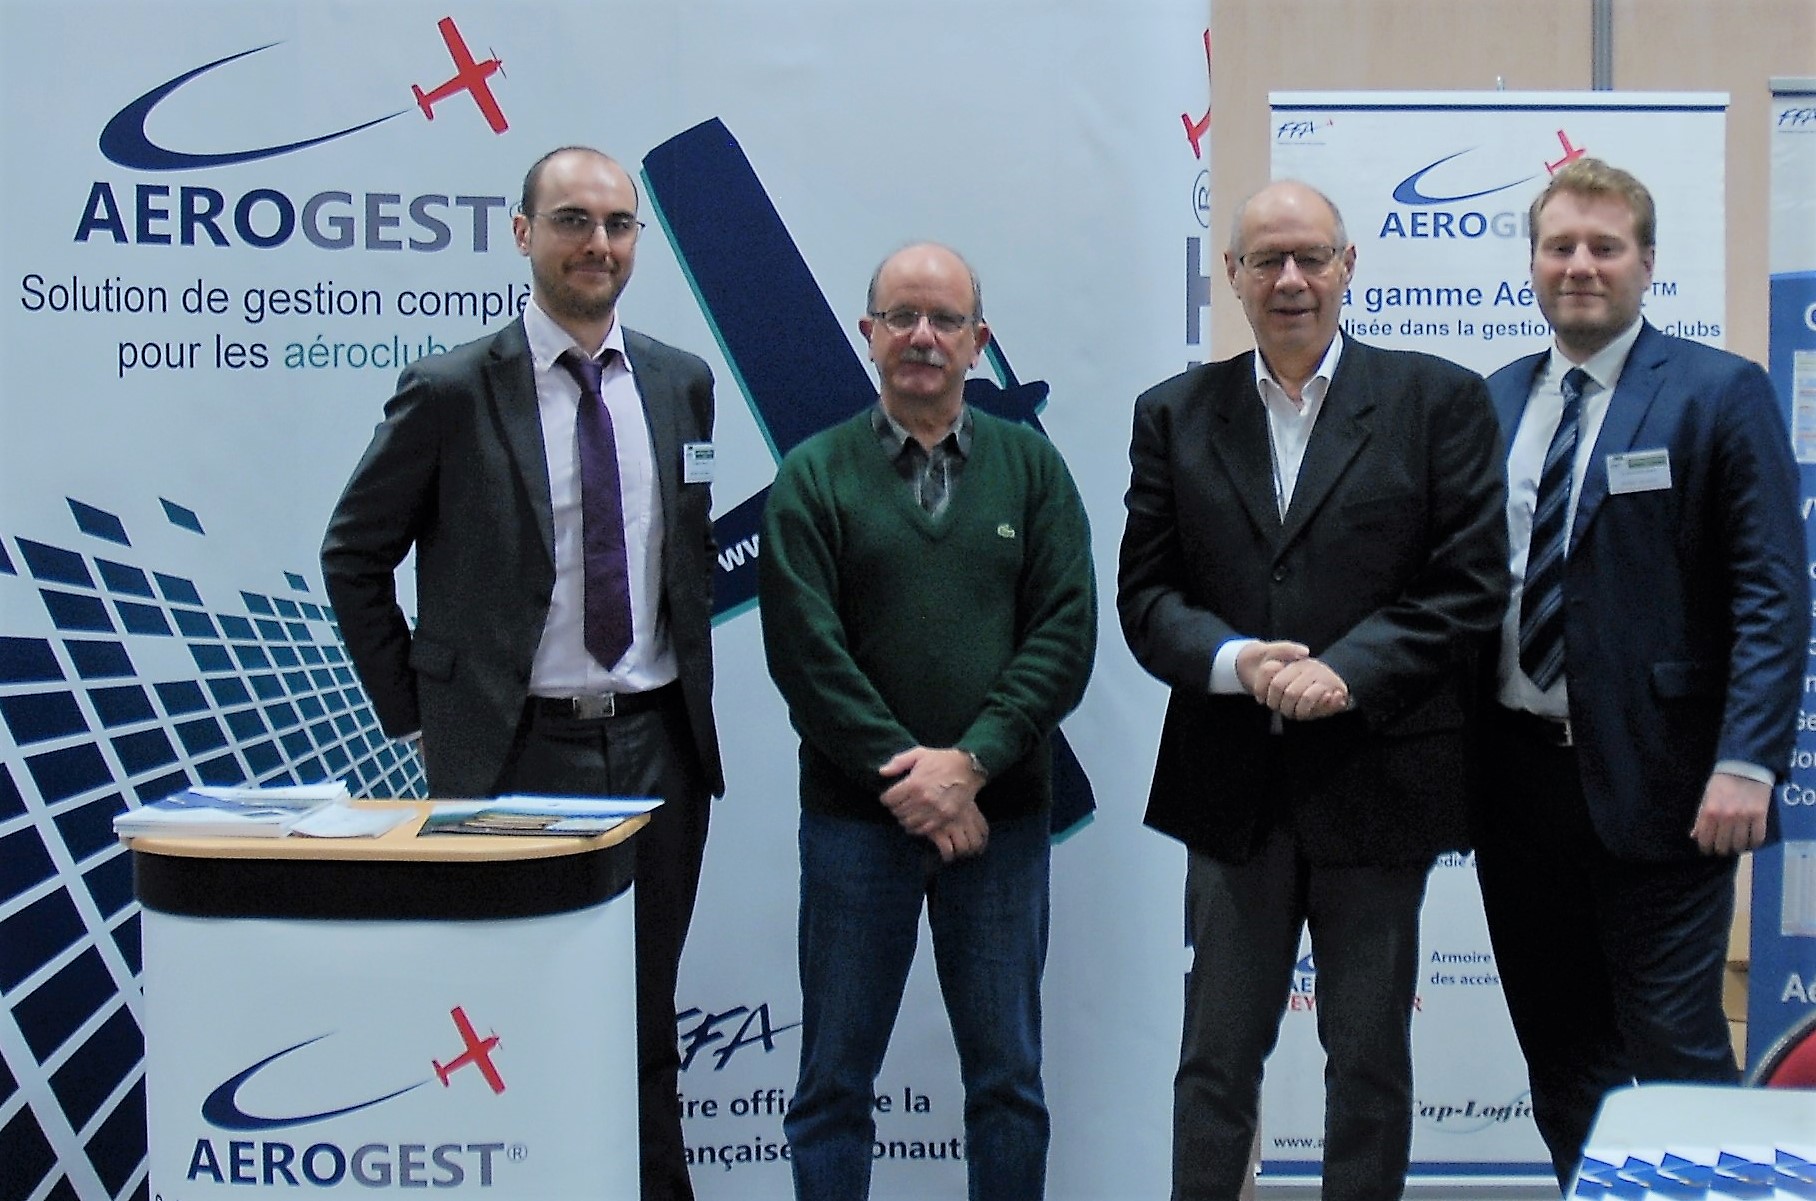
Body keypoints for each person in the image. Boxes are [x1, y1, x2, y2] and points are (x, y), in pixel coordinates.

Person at [321, 146, 722, 1201]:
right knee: (504, 1014)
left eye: (618, 224)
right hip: (511, 756)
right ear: (522, 233)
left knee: (645, 1018)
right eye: (573, 220)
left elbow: (680, 557)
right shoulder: (452, 390)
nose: (598, 243)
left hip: (657, 752)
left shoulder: (681, 382)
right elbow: (354, 554)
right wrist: (419, 713)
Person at [1118, 180, 1509, 1201]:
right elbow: (1147, 596)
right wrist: (1234, 660)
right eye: (1267, 261)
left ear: (1347, 267)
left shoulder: (1438, 401)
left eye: (1310, 257)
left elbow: (1468, 582)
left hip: (1377, 783)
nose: (1290, 279)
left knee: (1368, 1065)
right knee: (1214, 1062)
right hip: (1229, 786)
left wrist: (1348, 670)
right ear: (1233, 276)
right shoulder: (1172, 414)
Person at [1475, 157, 1805, 1185]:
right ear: (1532, 263)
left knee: (1673, 1050)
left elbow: (1770, 593)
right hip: (1515, 789)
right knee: (1560, 1053)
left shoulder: (1718, 391)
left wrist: (1748, 761)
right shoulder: (1491, 401)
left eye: (1603, 247)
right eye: (1559, 246)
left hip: (1669, 788)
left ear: (1647, 262)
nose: (1579, 265)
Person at [757, 242, 1096, 1201]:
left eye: (946, 319)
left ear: (978, 341)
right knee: (832, 1083)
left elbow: (1064, 633)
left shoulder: (1033, 470)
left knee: (1008, 1083)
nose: (922, 336)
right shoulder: (813, 475)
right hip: (854, 826)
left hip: (1001, 823)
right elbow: (807, 656)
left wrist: (971, 765)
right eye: (902, 316)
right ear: (867, 333)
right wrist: (914, 778)